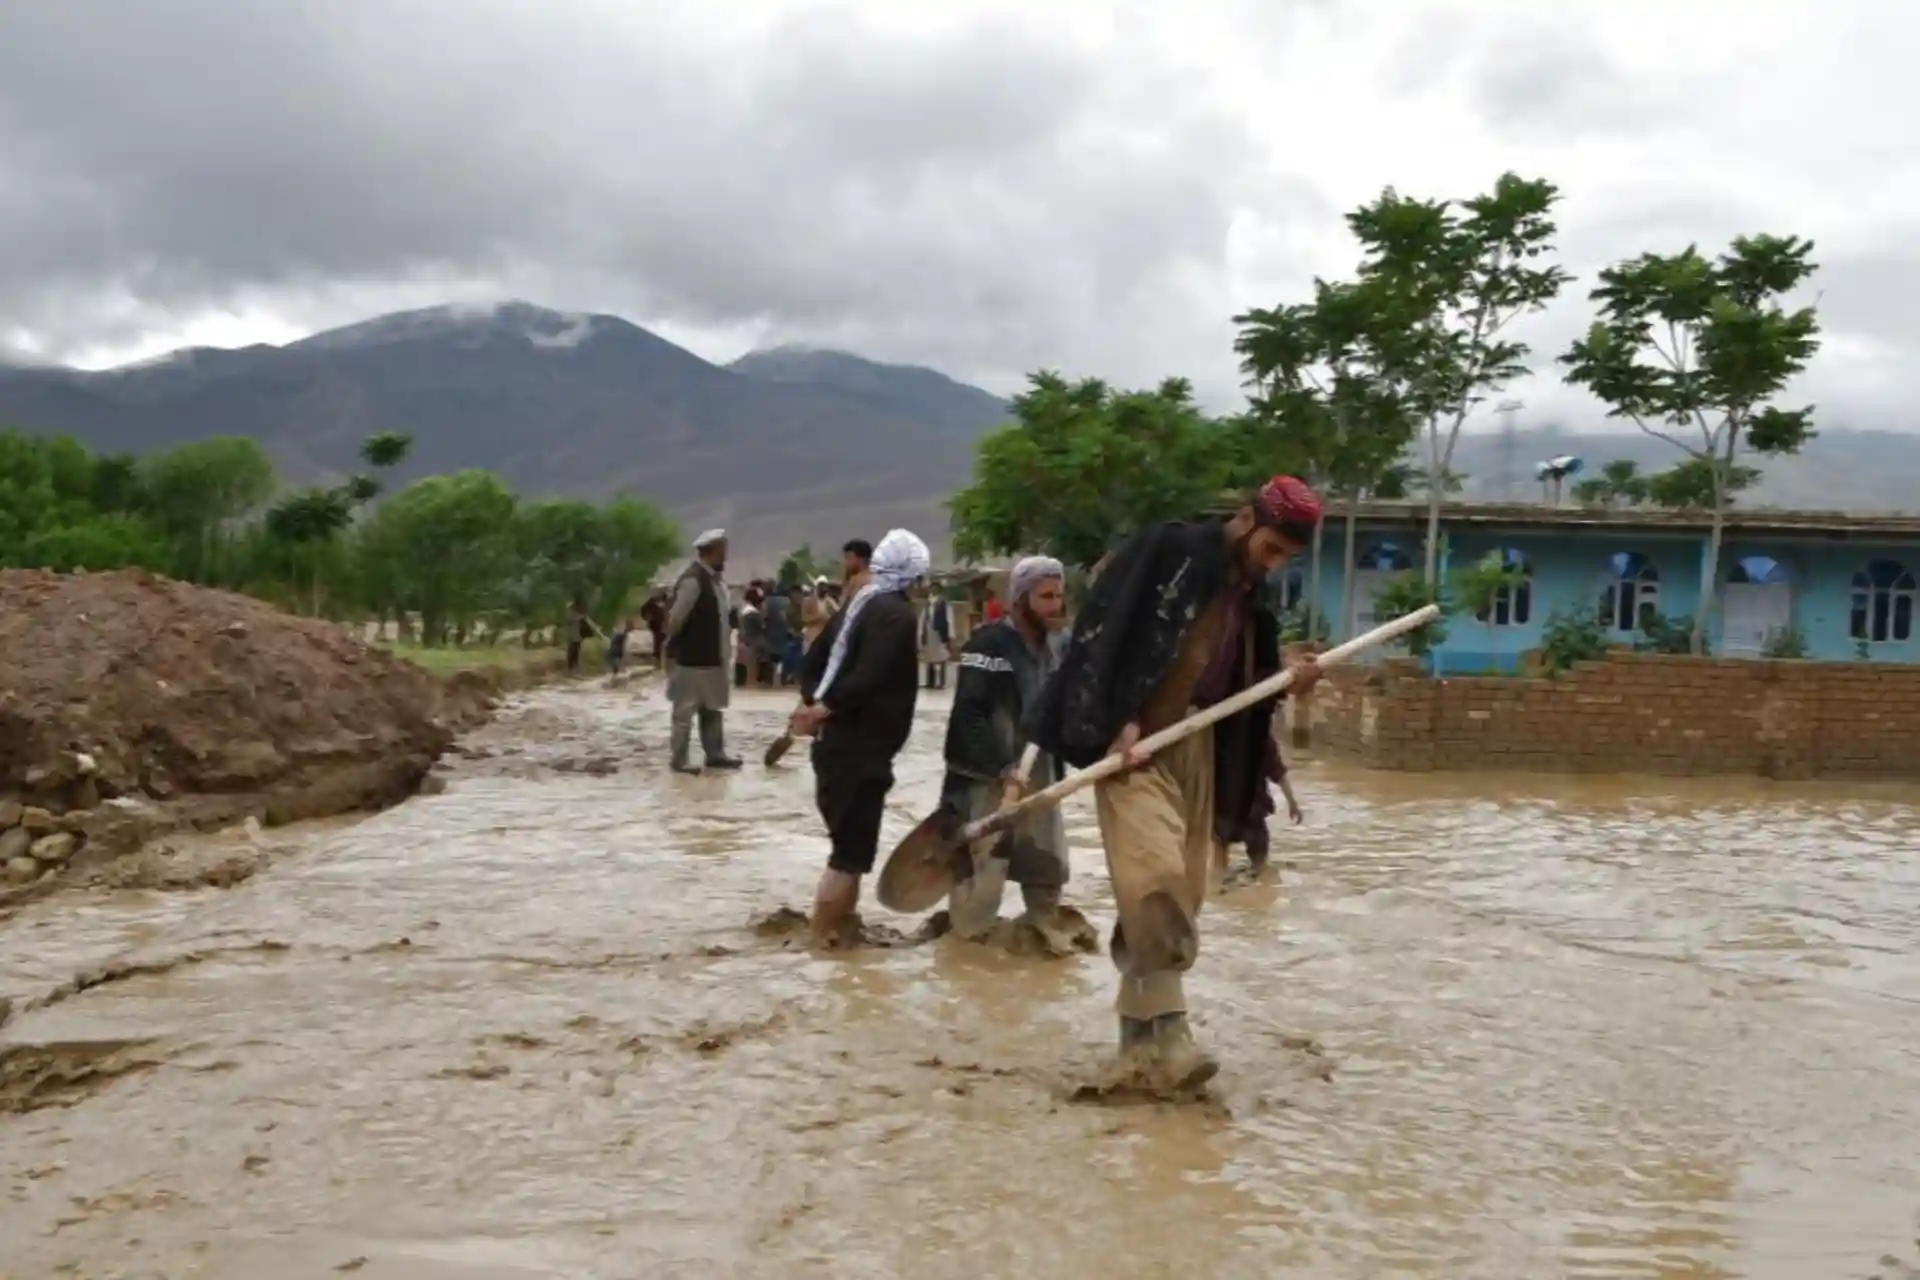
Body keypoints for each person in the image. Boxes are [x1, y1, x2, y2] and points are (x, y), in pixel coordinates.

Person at [1024, 476, 1325, 1089]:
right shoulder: (1170, 552)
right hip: (1134, 748)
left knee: (1181, 895)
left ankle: (1136, 1044)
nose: (1273, 565)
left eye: (1286, 560)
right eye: (1271, 550)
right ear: (1245, 520)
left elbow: (1248, 686)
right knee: (1154, 880)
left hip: (1201, 753)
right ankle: (1175, 1034)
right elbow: (1104, 630)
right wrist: (1116, 719)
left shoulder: (1253, 602)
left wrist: (1288, 677)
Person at [792, 528, 928, 948]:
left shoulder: (857, 606)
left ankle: (840, 932)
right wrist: (827, 707)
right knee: (848, 857)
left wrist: (817, 706)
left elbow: (812, 663)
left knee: (846, 849)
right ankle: (823, 940)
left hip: (832, 747)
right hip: (860, 750)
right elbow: (870, 675)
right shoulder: (896, 616)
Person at [941, 555, 1077, 945]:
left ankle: (1041, 940)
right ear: (1019, 601)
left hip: (1039, 774)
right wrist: (1002, 767)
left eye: (1058, 595)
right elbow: (968, 715)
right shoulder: (988, 644)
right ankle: (967, 952)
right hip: (987, 779)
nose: (1055, 604)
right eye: (1045, 596)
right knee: (981, 878)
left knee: (1046, 871)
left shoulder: (1058, 647)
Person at [665, 529, 743, 774]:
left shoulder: (715, 581)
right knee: (684, 713)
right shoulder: (693, 580)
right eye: (723, 552)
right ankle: (679, 761)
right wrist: (676, 649)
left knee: (713, 708)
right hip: (691, 660)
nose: (726, 558)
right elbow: (675, 620)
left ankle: (715, 755)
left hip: (713, 659)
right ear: (710, 552)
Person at [564, 594, 606, 675]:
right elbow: (570, 620)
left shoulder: (579, 611)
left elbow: (588, 621)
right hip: (572, 633)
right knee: (572, 651)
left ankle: (574, 668)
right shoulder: (570, 610)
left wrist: (596, 628)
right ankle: (571, 668)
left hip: (577, 634)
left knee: (576, 650)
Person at [919, 591, 952, 689]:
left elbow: (949, 621)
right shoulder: (927, 606)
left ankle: (942, 683)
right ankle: (930, 682)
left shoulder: (944, 605)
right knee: (929, 659)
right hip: (929, 635)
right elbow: (923, 620)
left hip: (940, 635)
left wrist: (950, 636)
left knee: (942, 658)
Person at [640, 590, 670, 671]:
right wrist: (648, 617)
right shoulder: (651, 603)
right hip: (656, 625)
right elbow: (643, 611)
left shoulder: (666, 602)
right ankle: (658, 660)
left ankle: (661, 660)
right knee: (658, 640)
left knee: (662, 640)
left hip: (663, 625)